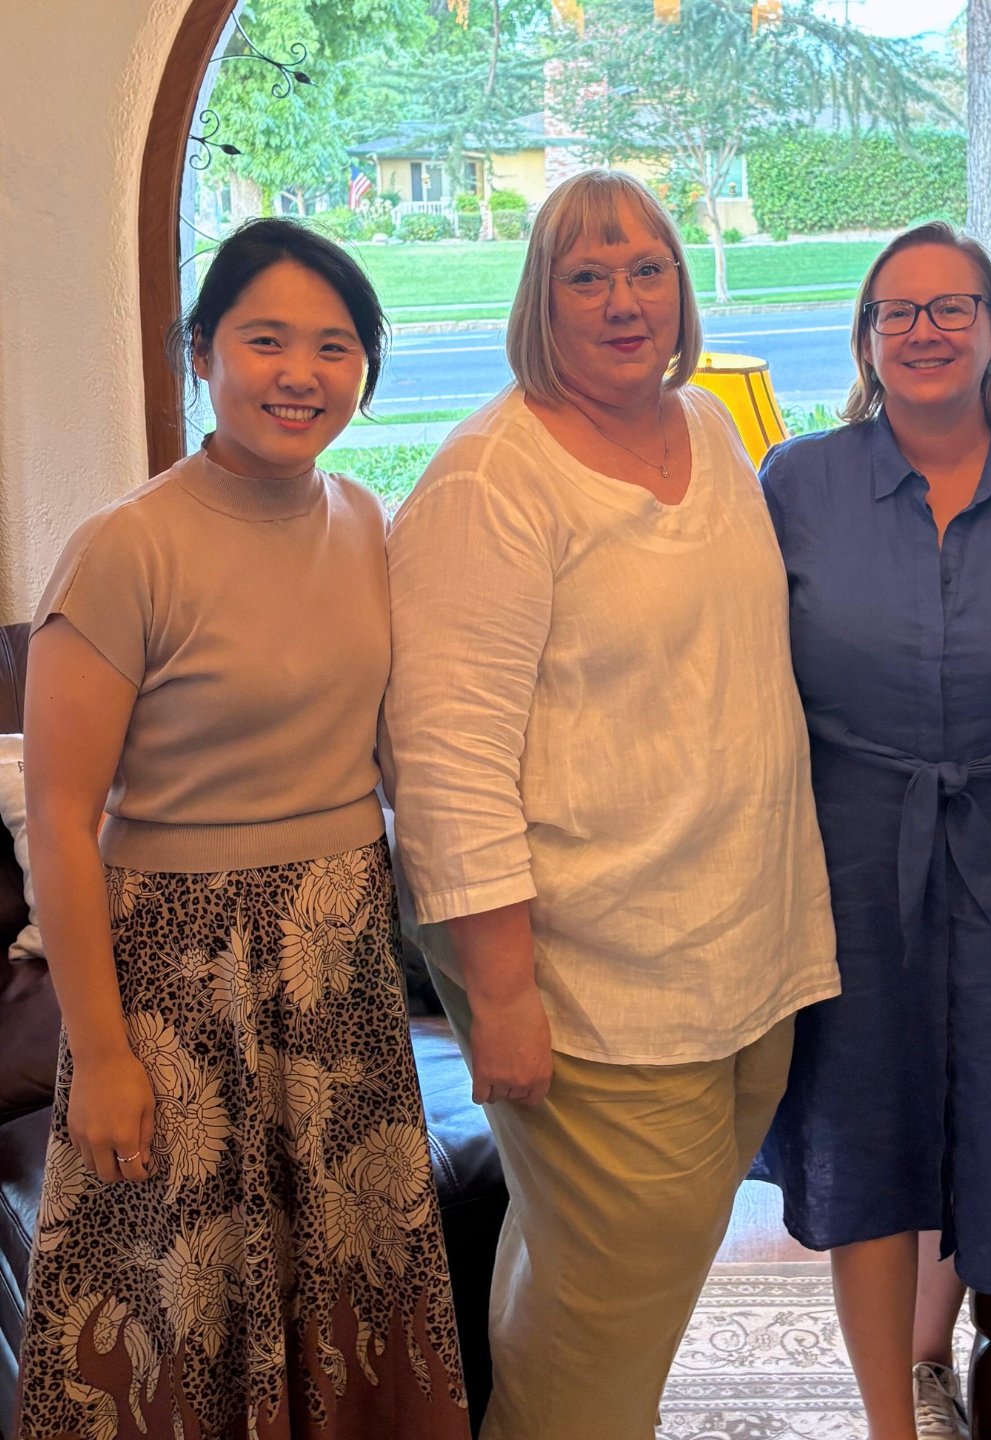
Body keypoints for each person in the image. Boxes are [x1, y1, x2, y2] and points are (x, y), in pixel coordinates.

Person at [381, 168, 839, 1440]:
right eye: (588, 274)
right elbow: (446, 758)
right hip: (593, 985)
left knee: (592, 1297)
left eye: (648, 269)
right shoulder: (492, 480)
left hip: (736, 953)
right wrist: (505, 992)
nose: (625, 298)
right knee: (602, 1340)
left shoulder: (709, 434)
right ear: (543, 297)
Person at [17, 219, 469, 1440]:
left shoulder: (372, 525)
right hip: (172, 984)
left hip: (340, 975)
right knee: (174, 1304)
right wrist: (102, 1055)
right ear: (201, 351)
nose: (299, 372)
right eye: (264, 339)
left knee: (349, 1286)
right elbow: (58, 822)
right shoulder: (125, 549)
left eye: (334, 346)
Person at [753, 222, 991, 1440]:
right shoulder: (796, 482)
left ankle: (926, 1355)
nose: (925, 330)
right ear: (865, 340)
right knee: (860, 1128)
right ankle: (885, 1418)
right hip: (853, 844)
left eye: (951, 307)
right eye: (896, 312)